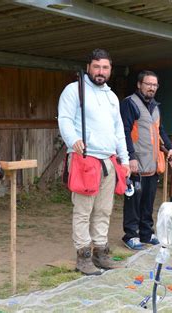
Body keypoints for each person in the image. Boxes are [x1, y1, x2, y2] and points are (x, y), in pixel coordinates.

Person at [58, 49, 130, 275]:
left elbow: (119, 130)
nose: (101, 72)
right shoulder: (74, 90)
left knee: (104, 210)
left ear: (110, 70)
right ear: (89, 66)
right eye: (97, 67)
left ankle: (101, 253)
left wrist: (125, 160)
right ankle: (83, 256)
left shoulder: (111, 96)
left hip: (108, 161)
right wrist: (73, 140)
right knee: (83, 210)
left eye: (105, 67)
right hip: (85, 159)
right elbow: (65, 119)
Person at [119, 70, 172, 250]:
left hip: (152, 164)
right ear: (139, 85)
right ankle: (130, 235)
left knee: (148, 201)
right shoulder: (130, 103)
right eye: (148, 84)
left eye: (154, 85)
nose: (151, 88)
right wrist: (130, 157)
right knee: (133, 201)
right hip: (135, 164)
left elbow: (161, 132)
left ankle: (146, 233)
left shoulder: (155, 106)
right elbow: (124, 132)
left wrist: (170, 149)